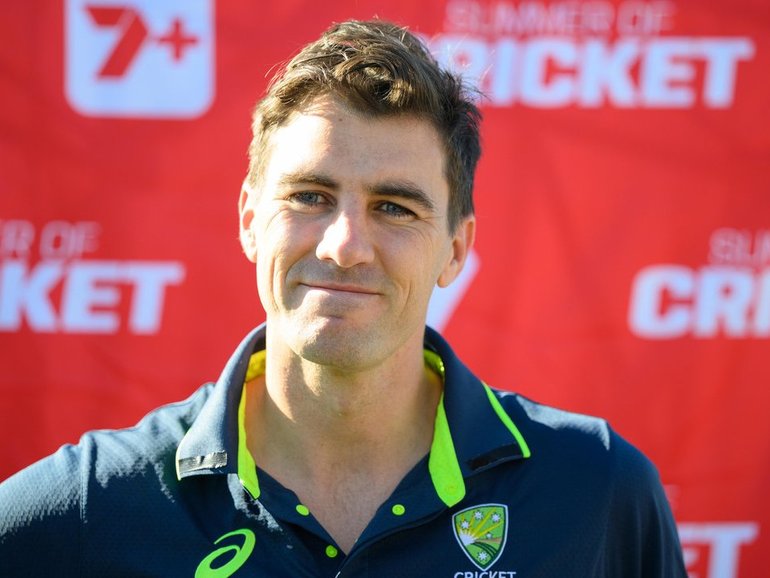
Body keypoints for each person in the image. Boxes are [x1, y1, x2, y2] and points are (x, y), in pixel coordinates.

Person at [0, 19, 687, 577]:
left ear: (456, 249)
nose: (344, 245)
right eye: (310, 196)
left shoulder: (596, 491)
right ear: (250, 220)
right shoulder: (92, 505)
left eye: (394, 207)